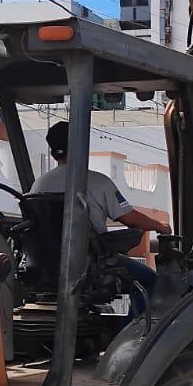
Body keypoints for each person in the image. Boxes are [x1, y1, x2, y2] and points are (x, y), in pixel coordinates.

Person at [33, 120, 162, 302]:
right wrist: (162, 227)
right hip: (90, 263)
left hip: (46, 265)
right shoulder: (98, 182)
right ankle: (127, 329)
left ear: (54, 153)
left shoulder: (38, 185)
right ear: (81, 146)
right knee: (151, 281)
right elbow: (131, 219)